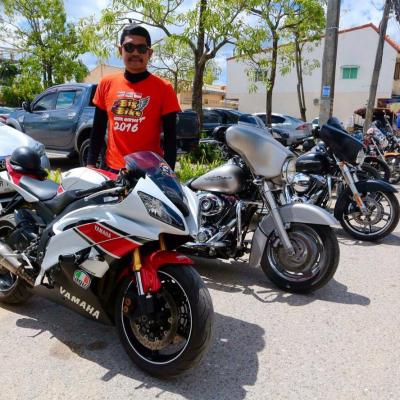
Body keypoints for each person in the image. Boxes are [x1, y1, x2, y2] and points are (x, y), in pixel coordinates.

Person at [87, 24, 181, 172]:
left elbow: (170, 139)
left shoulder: (164, 88)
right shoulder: (106, 84)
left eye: (141, 48)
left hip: (150, 172)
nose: (135, 53)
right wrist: (90, 165)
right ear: (120, 50)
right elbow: (98, 129)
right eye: (129, 47)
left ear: (149, 53)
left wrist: (169, 175)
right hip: (114, 169)